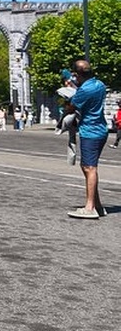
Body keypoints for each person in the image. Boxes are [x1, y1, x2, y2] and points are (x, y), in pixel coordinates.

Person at [67, 60, 107, 219]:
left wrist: (68, 98)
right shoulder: (100, 85)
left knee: (89, 168)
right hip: (101, 129)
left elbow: (72, 106)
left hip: (90, 131)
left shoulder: (83, 90)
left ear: (77, 75)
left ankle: (89, 207)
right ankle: (97, 205)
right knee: (90, 167)